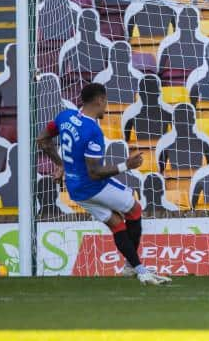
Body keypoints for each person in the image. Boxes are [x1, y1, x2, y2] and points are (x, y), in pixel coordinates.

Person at [37, 83, 171, 286]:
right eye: (106, 102)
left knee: (117, 224)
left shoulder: (64, 117)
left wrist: (61, 164)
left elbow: (42, 139)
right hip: (92, 185)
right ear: (99, 100)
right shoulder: (93, 132)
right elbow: (95, 172)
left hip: (75, 190)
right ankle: (133, 266)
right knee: (134, 210)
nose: (106, 107)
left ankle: (138, 269)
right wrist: (126, 165)